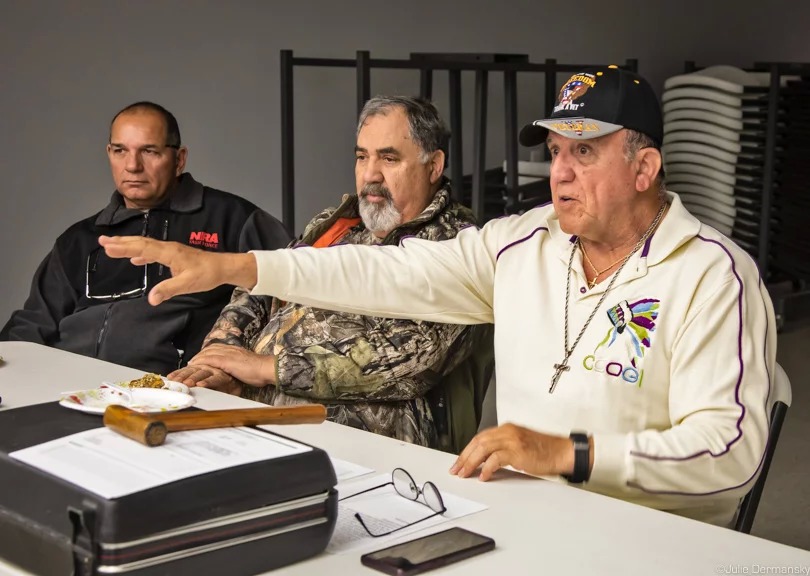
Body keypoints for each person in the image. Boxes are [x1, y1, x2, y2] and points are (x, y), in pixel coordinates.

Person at [99, 68, 776, 527]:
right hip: (523, 515)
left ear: (644, 167)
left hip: (648, 535)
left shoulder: (713, 276)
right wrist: (239, 265)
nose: (558, 174)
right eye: (554, 152)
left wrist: (566, 453)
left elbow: (730, 453)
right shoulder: (521, 243)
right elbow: (384, 274)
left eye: (584, 154)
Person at [168, 96, 494, 452]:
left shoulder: (459, 242)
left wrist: (266, 369)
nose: (370, 175)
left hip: (367, 444)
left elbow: (411, 358)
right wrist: (221, 356)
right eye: (361, 157)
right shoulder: (340, 221)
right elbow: (259, 289)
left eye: (388, 158)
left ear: (433, 166)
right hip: (258, 408)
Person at [1, 101, 291, 375]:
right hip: (70, 388)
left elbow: (293, 284)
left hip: (174, 390)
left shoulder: (233, 219)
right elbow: (34, 322)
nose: (132, 166)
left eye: (149, 151)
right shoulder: (79, 239)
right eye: (120, 151)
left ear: (179, 159)